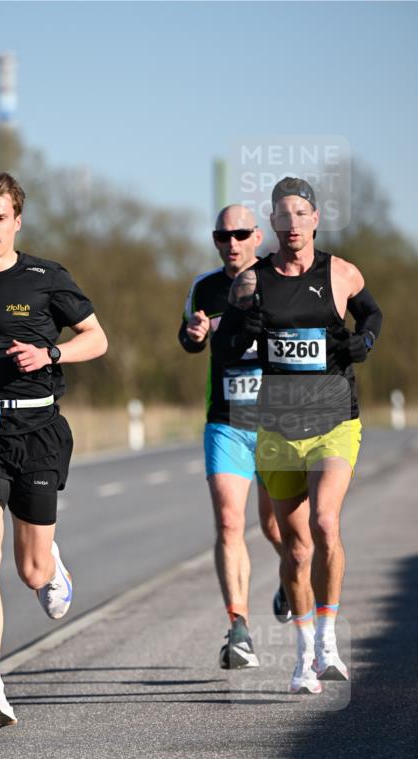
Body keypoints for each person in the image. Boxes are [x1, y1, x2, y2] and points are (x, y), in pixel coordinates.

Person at [0, 172, 108, 733]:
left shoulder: (45, 277)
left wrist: (51, 353)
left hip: (37, 429)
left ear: (17, 221)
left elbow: (97, 338)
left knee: (31, 572)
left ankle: (48, 562)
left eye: (0, 218)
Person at [213, 177, 382, 694]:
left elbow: (371, 311)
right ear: (274, 224)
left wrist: (364, 341)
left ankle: (329, 638)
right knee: (297, 548)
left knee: (326, 522)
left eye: (300, 214)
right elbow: (224, 349)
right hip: (277, 427)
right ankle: (305, 654)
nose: (291, 225)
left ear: (314, 219)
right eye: (281, 216)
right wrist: (247, 326)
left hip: (334, 421)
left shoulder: (340, 271)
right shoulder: (251, 279)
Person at [178, 205, 287, 672]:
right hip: (225, 419)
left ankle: (294, 575)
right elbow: (188, 339)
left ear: (257, 236)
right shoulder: (204, 287)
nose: (232, 243)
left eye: (241, 234)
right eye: (223, 236)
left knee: (277, 529)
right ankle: (238, 627)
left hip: (277, 421)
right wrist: (196, 333)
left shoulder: (280, 278)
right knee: (228, 523)